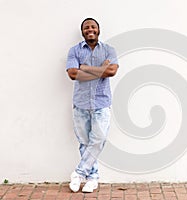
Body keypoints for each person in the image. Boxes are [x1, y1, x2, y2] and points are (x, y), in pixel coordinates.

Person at [66, 18, 118, 193]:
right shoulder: (74, 51)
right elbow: (73, 74)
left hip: (101, 103)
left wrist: (86, 68)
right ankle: (92, 178)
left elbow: (111, 71)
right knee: (84, 142)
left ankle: (79, 174)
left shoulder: (108, 50)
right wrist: (99, 70)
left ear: (98, 30)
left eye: (93, 27)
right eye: (86, 27)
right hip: (80, 104)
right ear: (82, 32)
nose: (90, 29)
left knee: (99, 139)